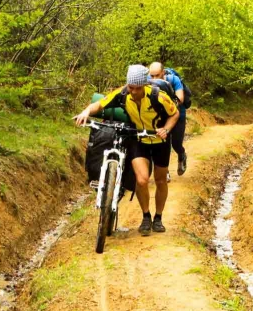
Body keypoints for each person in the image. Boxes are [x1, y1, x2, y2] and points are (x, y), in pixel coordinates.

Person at [74, 64, 180, 235]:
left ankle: (158, 217)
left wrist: (166, 129)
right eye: (131, 87)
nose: (134, 91)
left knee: (160, 180)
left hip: (160, 140)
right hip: (138, 139)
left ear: (144, 85)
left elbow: (174, 114)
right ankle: (146, 216)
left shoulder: (158, 96)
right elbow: (100, 104)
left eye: (138, 88)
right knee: (142, 180)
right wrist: (86, 111)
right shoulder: (123, 93)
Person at [148, 62, 188, 176]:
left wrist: (168, 105)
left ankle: (182, 155)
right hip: (159, 116)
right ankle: (165, 171)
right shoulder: (147, 81)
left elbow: (180, 98)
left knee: (176, 143)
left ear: (163, 72)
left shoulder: (173, 80)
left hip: (177, 114)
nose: (154, 79)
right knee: (161, 143)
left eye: (157, 75)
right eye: (152, 76)